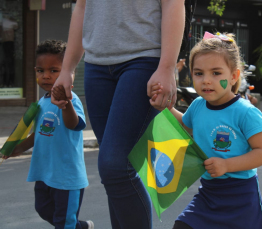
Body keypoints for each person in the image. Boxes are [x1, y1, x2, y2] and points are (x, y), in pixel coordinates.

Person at [50, 0, 185, 228]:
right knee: (115, 172)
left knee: (114, 166)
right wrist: (67, 69)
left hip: (144, 59)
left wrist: (166, 67)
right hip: (97, 65)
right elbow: (82, 7)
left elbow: (173, 3)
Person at [150, 31, 262, 229]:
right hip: (209, 193)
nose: (206, 80)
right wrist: (166, 108)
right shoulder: (198, 105)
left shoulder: (246, 112)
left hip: (240, 195)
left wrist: (226, 165)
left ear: (233, 77)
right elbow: (186, 126)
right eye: (199, 73)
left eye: (216, 73)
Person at [2, 40, 93, 229]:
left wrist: (65, 104)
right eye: (40, 70)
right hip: (44, 173)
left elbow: (74, 125)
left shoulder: (71, 99)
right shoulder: (42, 103)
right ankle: (80, 227)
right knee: (43, 208)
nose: (45, 76)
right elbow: (40, 134)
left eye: (53, 70)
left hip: (67, 177)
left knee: (63, 222)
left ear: (69, 72)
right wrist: (17, 149)